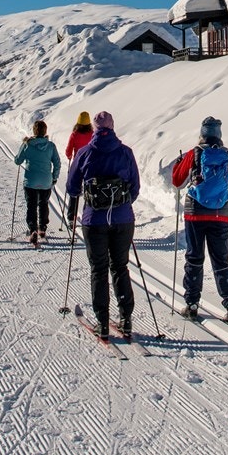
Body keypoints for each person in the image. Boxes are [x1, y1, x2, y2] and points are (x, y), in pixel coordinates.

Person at [64, 110, 140, 339]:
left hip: (93, 220)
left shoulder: (86, 153)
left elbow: (72, 187)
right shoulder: (126, 153)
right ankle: (126, 319)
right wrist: (121, 204)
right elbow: (135, 188)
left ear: (95, 130)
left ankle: (102, 322)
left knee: (98, 269)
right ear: (113, 127)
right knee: (120, 267)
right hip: (123, 220)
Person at [169, 116, 228, 326]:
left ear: (202, 133)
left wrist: (179, 165)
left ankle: (192, 304)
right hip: (221, 214)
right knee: (221, 260)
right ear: (219, 135)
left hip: (195, 212)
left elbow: (177, 182)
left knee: (195, 258)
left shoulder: (195, 153)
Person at [13, 118, 60, 245]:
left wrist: (19, 153)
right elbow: (57, 163)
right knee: (44, 203)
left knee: (31, 205)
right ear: (45, 131)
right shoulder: (50, 146)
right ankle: (42, 228)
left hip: (31, 180)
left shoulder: (27, 144)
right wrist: (54, 177)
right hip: (46, 181)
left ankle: (33, 228)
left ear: (34, 131)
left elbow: (18, 161)